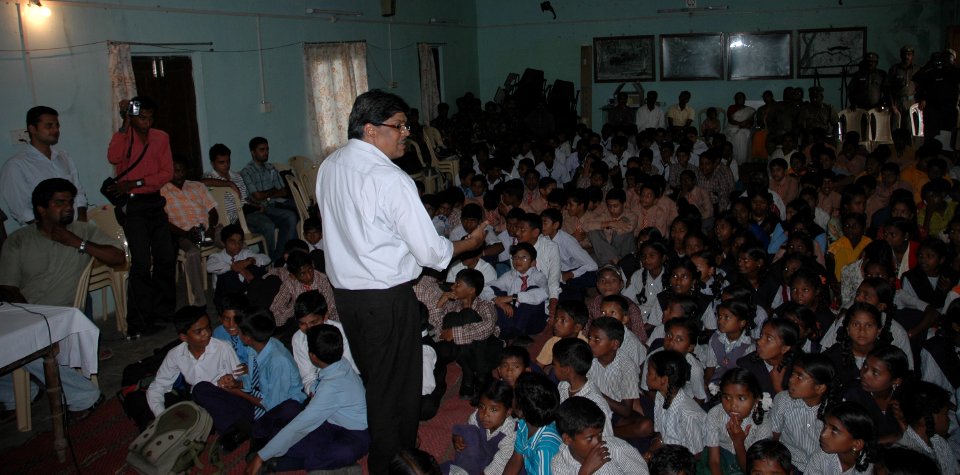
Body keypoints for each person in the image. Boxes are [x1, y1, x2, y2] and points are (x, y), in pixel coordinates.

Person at [315, 89, 486, 474]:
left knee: (376, 379)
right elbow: (431, 253)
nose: (407, 133)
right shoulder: (390, 179)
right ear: (371, 130)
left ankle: (389, 454)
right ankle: (396, 463)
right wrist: (469, 243)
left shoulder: (330, 165)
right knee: (399, 387)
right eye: (399, 126)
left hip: (348, 298)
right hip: (385, 298)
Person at [0, 178, 120, 417]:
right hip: (26, 313)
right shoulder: (19, 240)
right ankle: (15, 394)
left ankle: (84, 395)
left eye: (70, 202)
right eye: (60, 202)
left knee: (25, 344)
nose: (68, 207)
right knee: (15, 338)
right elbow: (8, 287)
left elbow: (118, 258)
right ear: (41, 209)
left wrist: (78, 244)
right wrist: (31, 321)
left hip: (63, 317)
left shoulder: (83, 231)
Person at [245, 324, 369, 474]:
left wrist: (261, 456)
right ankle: (266, 447)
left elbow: (302, 424)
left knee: (330, 453)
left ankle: (276, 463)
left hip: (355, 434)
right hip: (330, 422)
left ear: (312, 356)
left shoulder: (331, 386)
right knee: (290, 413)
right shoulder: (340, 361)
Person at [106, 96, 174, 335]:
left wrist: (137, 181)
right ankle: (139, 321)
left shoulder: (161, 137)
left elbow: (166, 172)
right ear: (132, 116)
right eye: (141, 117)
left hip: (153, 201)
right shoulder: (125, 136)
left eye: (150, 117)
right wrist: (125, 124)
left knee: (166, 256)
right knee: (142, 263)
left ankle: (164, 311)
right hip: (132, 206)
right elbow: (114, 157)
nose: (146, 122)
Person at [1, 106, 88, 225]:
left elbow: (78, 192)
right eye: (49, 126)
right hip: (46, 235)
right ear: (32, 129)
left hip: (76, 227)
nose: (55, 130)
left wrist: (82, 223)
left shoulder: (63, 156)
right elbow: (22, 211)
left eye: (57, 125)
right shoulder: (16, 165)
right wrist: (52, 234)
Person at [160, 156, 218, 306]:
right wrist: (186, 233)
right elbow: (164, 222)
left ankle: (239, 282)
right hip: (183, 233)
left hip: (208, 228)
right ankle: (200, 299)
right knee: (192, 254)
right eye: (175, 171)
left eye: (182, 170)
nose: (179, 174)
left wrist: (210, 229)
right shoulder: (162, 192)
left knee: (234, 239)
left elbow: (212, 211)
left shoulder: (197, 186)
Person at [551, 396, 649, 475]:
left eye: (600, 434)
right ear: (567, 439)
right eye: (589, 438)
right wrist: (585, 472)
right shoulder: (559, 464)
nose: (598, 442)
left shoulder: (615, 448)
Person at [291, 290, 358, 393]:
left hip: (348, 384)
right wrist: (314, 392)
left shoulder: (341, 332)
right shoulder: (298, 339)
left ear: (325, 316)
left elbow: (348, 370)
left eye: (313, 322)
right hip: (320, 388)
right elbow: (308, 378)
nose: (308, 328)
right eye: (302, 324)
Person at [445, 381, 517, 475]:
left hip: (496, 464)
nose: (485, 414)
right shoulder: (476, 416)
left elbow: (500, 463)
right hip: (479, 455)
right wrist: (458, 439)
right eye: (482, 407)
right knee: (468, 432)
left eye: (494, 410)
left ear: (508, 412)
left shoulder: (511, 433)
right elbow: (469, 434)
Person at [503, 372, 563, 475]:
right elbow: (516, 459)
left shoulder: (544, 449)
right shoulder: (524, 424)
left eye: (513, 396)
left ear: (520, 410)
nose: (511, 399)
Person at [206, 224, 271, 306]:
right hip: (226, 294)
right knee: (228, 274)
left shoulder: (244, 253)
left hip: (244, 290)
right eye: (232, 242)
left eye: (240, 242)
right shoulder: (217, 256)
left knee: (258, 267)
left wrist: (250, 260)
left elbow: (266, 259)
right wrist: (234, 267)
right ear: (223, 242)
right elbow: (209, 267)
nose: (237, 245)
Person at [888, 45, 919, 130]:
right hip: (897, 102)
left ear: (912, 55)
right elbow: (889, 89)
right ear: (901, 55)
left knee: (910, 128)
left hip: (911, 102)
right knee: (896, 128)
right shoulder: (894, 69)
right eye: (904, 54)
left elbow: (922, 87)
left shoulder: (917, 69)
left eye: (909, 54)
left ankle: (910, 143)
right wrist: (892, 105)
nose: (906, 57)